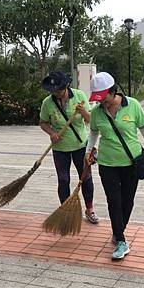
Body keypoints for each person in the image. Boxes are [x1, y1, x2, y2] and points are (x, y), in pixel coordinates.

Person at [85, 72, 144, 260]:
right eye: (98, 99)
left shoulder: (133, 105)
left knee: (127, 201)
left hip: (131, 163)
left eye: (104, 98)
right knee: (114, 201)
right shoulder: (96, 112)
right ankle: (120, 239)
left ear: (113, 92)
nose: (102, 103)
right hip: (107, 163)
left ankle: (118, 230)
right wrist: (89, 151)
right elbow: (94, 133)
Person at [39, 72, 98, 224]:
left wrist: (82, 111)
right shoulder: (48, 103)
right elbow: (43, 122)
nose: (56, 93)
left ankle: (90, 209)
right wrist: (52, 133)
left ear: (66, 87)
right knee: (63, 179)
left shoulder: (79, 96)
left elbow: (91, 120)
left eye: (59, 90)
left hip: (81, 145)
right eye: (53, 90)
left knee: (86, 178)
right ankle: (65, 211)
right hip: (60, 148)